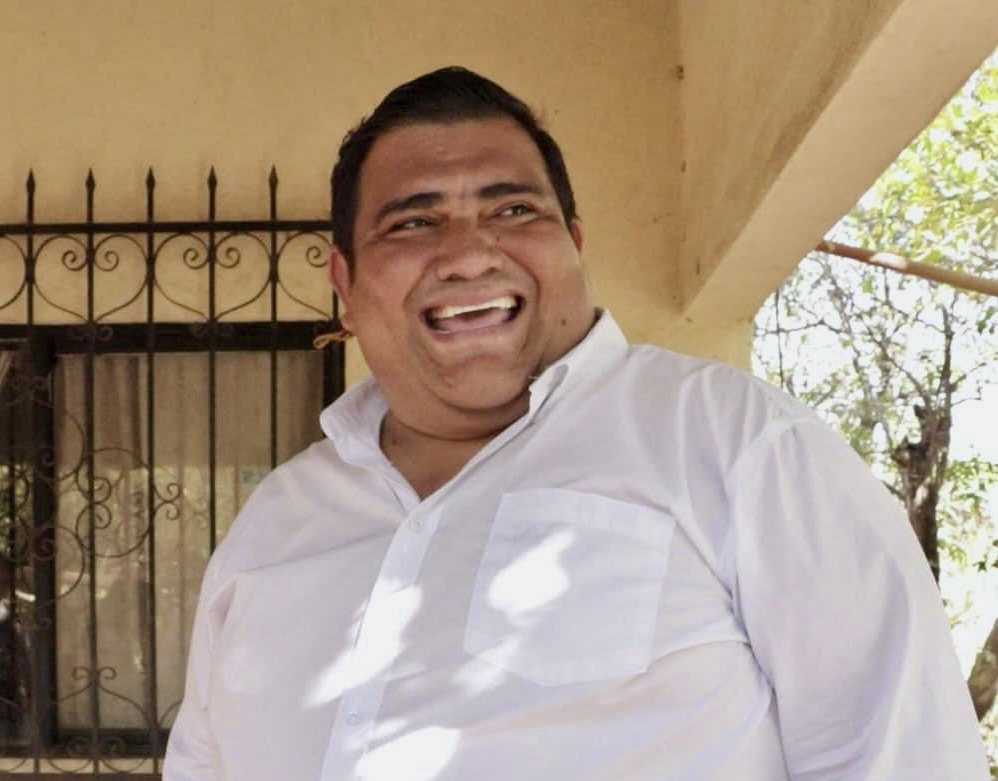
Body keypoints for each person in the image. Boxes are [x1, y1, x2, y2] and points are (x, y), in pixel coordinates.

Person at [163, 67, 989, 781]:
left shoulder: (736, 445)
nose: (469, 252)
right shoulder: (273, 525)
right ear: (344, 283)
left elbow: (902, 753)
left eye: (514, 210)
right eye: (413, 222)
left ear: (575, 243)